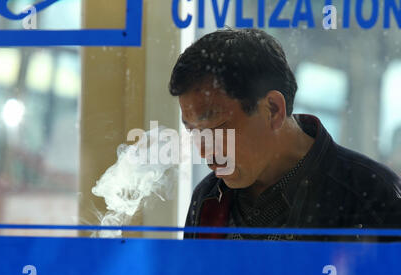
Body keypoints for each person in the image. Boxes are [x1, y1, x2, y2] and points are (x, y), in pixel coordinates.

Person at [168, 28, 401, 240]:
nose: (204, 152)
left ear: (273, 109)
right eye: (193, 132)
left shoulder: (373, 198)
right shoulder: (208, 198)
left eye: (215, 128)